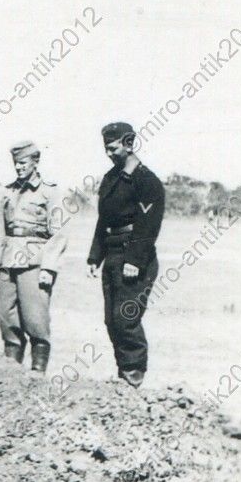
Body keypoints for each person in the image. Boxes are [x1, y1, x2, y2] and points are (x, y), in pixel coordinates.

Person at [87, 122, 165, 387]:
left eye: (113, 147)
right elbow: (104, 219)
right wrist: (94, 257)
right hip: (112, 254)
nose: (108, 152)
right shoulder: (112, 178)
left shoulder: (146, 180)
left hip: (133, 258)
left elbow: (148, 224)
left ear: (129, 143)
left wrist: (134, 260)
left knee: (125, 318)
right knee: (111, 320)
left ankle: (133, 375)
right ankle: (124, 374)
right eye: (105, 148)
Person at [0, 140, 68, 373]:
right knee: (8, 319)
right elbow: (1, 229)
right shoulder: (10, 191)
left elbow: (59, 233)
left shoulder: (49, 192)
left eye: (23, 163)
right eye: (16, 163)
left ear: (35, 162)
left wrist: (48, 268)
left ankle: (37, 374)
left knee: (35, 319)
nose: (19, 168)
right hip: (8, 261)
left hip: (34, 262)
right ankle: (12, 372)